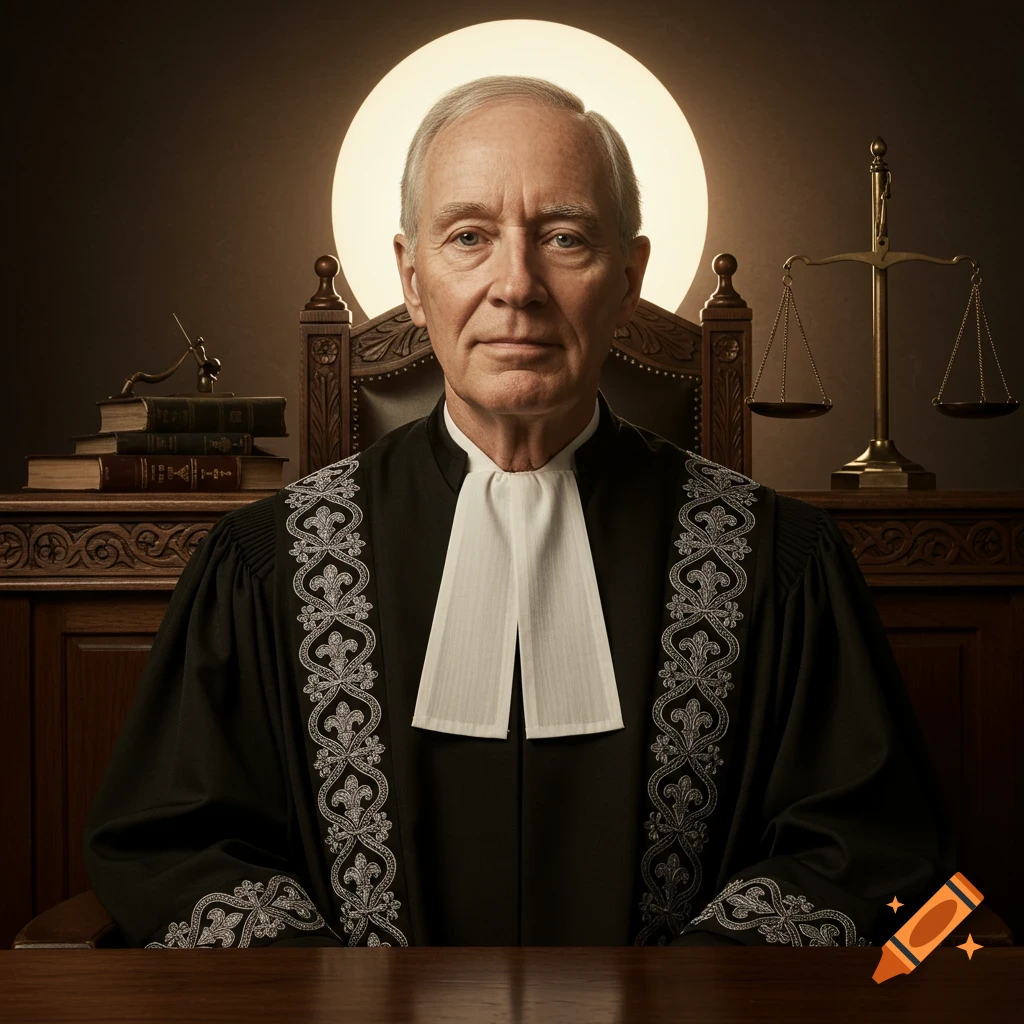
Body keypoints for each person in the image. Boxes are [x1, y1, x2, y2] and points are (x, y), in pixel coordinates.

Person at [84, 75, 952, 949]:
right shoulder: (265, 561)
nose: (517, 286)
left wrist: (682, 998)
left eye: (565, 238)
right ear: (413, 279)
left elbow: (865, 846)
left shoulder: (780, 559)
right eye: (468, 236)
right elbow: (174, 845)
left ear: (629, 278)